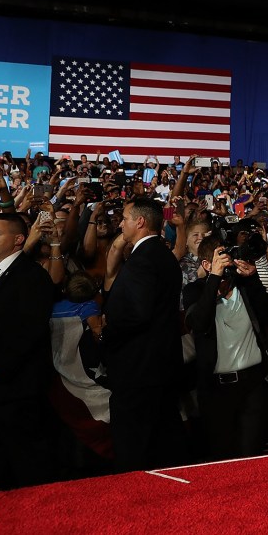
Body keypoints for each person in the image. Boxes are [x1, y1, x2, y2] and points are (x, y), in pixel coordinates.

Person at [100, 196, 188, 471]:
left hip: (138, 368)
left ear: (140, 222)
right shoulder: (164, 256)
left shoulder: (142, 259)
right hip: (162, 364)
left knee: (133, 447)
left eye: (125, 219)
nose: (121, 224)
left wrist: (108, 330)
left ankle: (132, 502)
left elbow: (138, 313)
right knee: (161, 443)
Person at [184, 236, 268, 460]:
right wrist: (214, 279)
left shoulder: (244, 286)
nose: (228, 263)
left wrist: (253, 279)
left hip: (254, 384)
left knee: (250, 455)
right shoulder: (195, 291)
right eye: (220, 259)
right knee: (222, 458)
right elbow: (198, 323)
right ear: (207, 265)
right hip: (216, 391)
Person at [0, 213, 59, 490]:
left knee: (26, 465)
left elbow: (27, 333)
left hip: (17, 391)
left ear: (18, 239)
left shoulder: (32, 277)